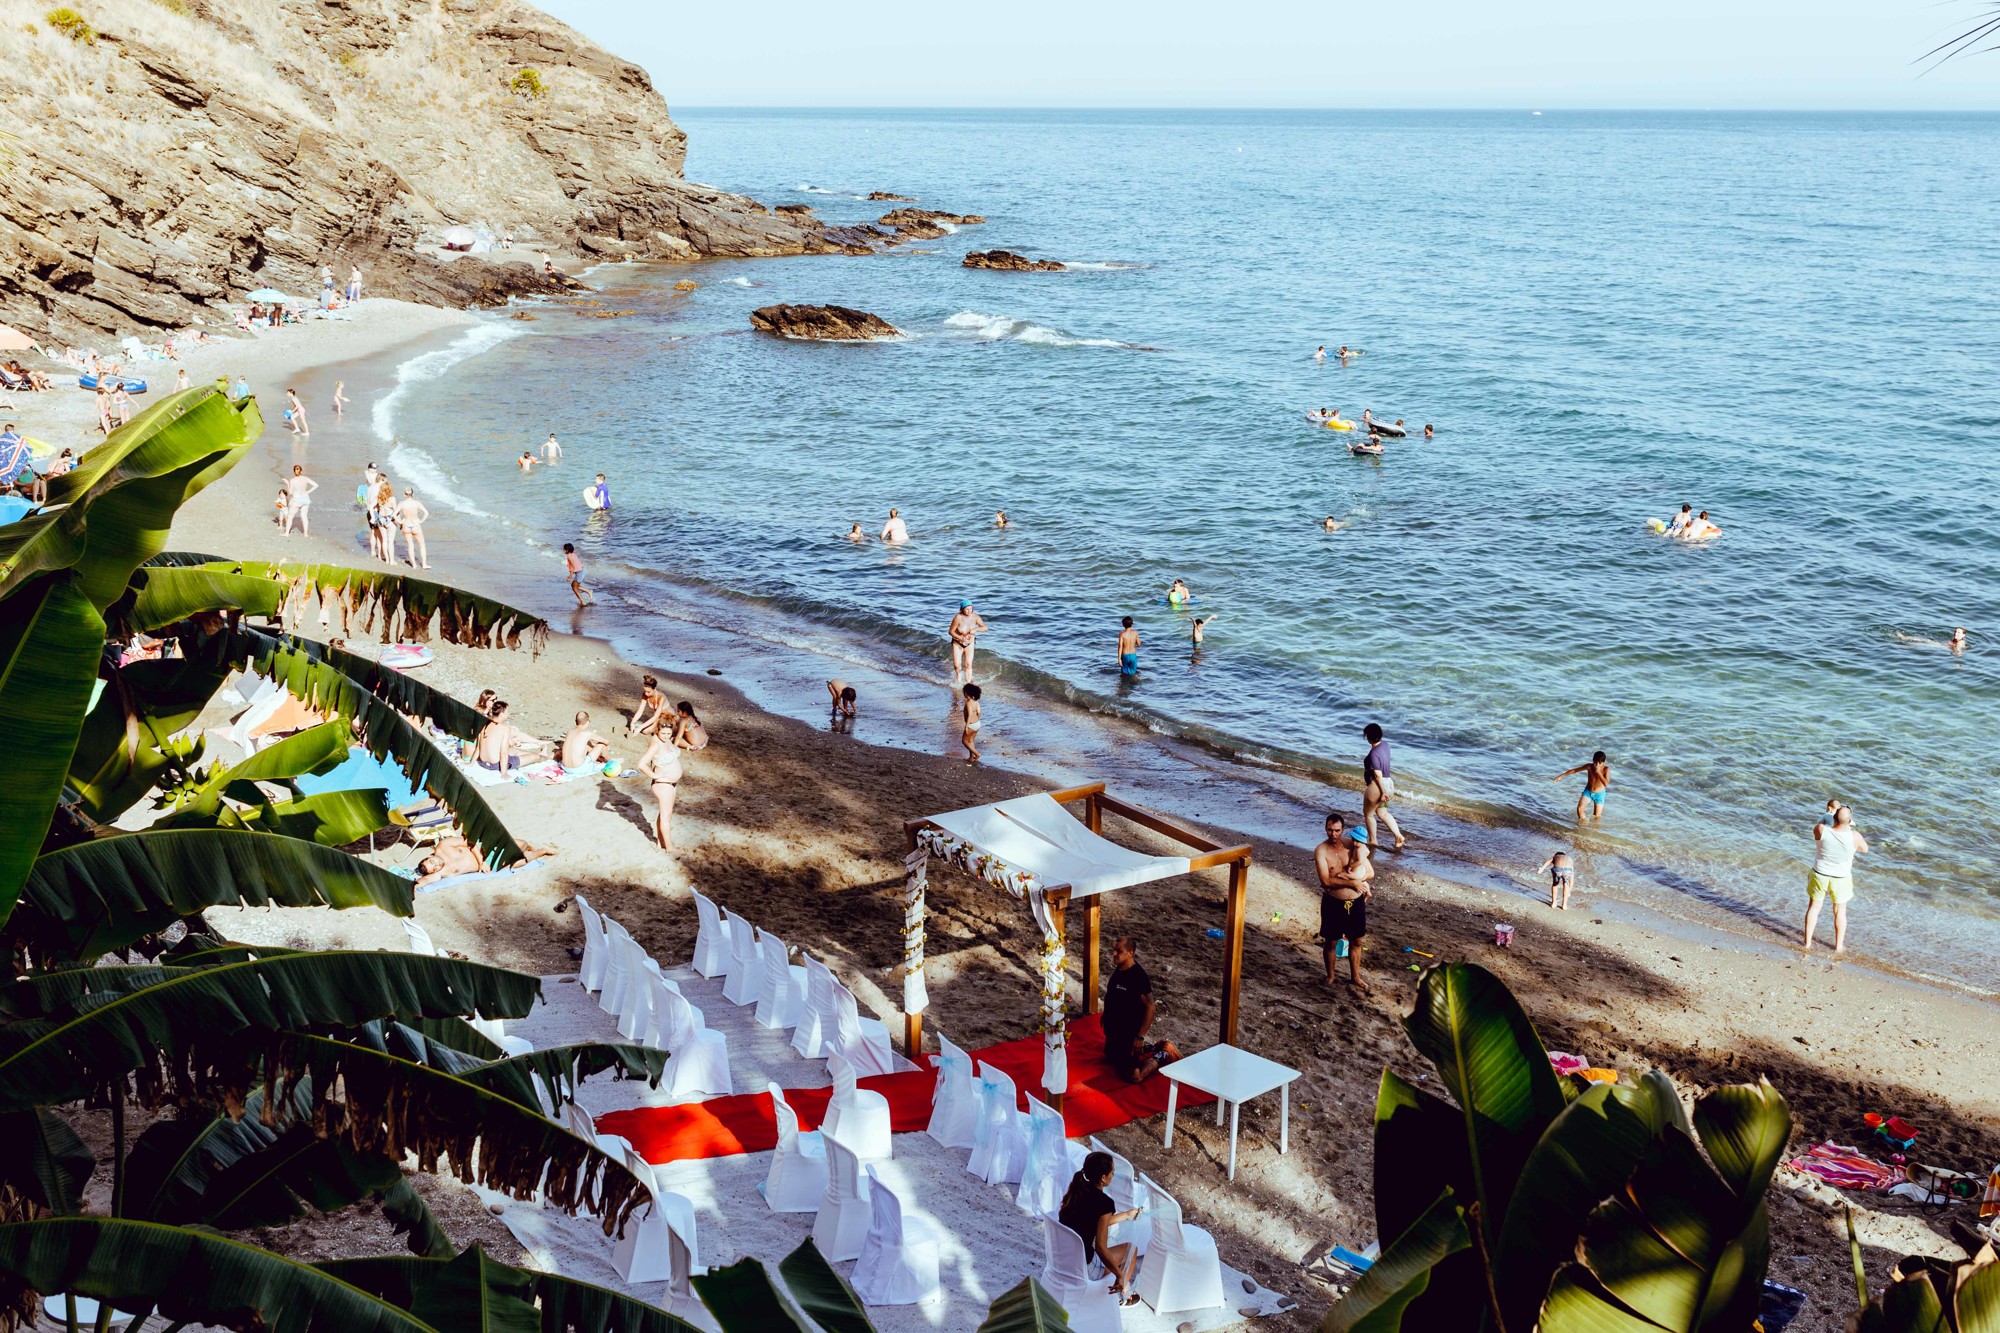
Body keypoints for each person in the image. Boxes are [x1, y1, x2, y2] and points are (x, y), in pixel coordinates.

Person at [1059, 1151, 1143, 1306]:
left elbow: (1095, 1222)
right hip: (1085, 1266)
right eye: (1112, 1172)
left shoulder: (1078, 1190)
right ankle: (1123, 1295)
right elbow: (1100, 1248)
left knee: (1118, 1250)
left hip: (1064, 1257)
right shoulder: (1104, 1203)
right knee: (1131, 1250)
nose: (1113, 1175)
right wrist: (1118, 1274)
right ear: (1103, 1178)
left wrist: (1126, 1215)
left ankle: (1122, 1290)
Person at [1101, 936, 1178, 1084]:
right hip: (1114, 1030)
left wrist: (1140, 1036)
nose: (1114, 954)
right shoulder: (1119, 970)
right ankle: (1152, 1047)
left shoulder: (1139, 977)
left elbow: (1150, 1006)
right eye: (1113, 949)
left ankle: (1164, 1053)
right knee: (1111, 1060)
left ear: (1130, 953)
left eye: (1119, 951)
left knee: (1135, 1077)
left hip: (1129, 1032)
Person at [1315, 814, 1373, 989]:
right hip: (1333, 903)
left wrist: (1359, 879)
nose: (1333, 834)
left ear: (1343, 830)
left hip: (1355, 902)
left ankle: (1355, 977)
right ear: (1325, 829)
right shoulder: (1321, 851)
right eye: (1330, 830)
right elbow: (1325, 881)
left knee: (1357, 941)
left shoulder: (1353, 845)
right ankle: (1331, 976)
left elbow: (1370, 872)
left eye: (1337, 830)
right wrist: (1353, 882)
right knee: (1331, 941)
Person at [1804, 804, 1867, 952]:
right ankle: (1838, 946)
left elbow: (1818, 827)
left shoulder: (1821, 830)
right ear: (1850, 820)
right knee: (1839, 912)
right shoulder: (1855, 836)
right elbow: (1864, 849)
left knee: (1814, 908)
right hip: (1841, 877)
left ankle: (1807, 943)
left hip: (1820, 873)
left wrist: (1830, 816)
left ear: (1833, 817)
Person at [637, 717, 684, 852]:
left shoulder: (666, 740)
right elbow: (641, 764)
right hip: (663, 784)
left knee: (665, 814)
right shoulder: (656, 744)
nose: (666, 736)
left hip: (670, 784)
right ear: (657, 729)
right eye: (663, 733)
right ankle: (669, 847)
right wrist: (654, 775)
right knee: (665, 816)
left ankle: (661, 841)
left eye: (669, 733)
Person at [1362, 722, 1405, 850]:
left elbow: (1377, 775)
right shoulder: (1386, 745)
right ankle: (1398, 836)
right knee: (1383, 812)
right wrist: (1386, 791)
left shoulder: (1373, 753)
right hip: (1389, 784)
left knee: (1369, 814)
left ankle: (1373, 840)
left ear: (1368, 738)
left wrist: (1382, 793)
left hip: (1378, 787)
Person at [475, 701, 540, 772]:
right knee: (536, 757)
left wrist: (470, 763)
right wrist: (504, 773)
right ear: (501, 714)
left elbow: (478, 747)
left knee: (514, 750)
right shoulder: (505, 729)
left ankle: (541, 754)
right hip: (496, 765)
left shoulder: (485, 724)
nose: (508, 713)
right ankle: (546, 757)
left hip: (483, 763)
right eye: (507, 712)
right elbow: (503, 753)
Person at [1552, 751, 1611, 820]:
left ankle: (1593, 830)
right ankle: (1584, 824)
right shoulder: (1589, 766)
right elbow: (1574, 770)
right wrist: (1561, 776)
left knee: (1596, 817)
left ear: (1604, 762)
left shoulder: (1606, 769)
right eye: (1595, 762)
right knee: (1580, 809)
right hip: (1588, 791)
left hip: (1599, 794)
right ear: (1593, 760)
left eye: (1600, 763)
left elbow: (1606, 784)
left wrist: (1598, 772)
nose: (1597, 764)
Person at [948, 601, 989, 680]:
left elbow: (985, 628)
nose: (969, 611)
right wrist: (961, 638)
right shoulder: (958, 617)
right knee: (957, 665)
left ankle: (968, 683)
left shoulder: (975, 617)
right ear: (962, 609)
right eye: (967, 609)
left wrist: (976, 629)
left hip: (970, 643)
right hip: (958, 642)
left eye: (970, 609)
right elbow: (951, 632)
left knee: (968, 664)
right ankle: (958, 679)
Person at [397, 487, 430, 569]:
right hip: (416, 525)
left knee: (410, 545)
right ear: (413, 494)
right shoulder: (417, 503)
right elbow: (426, 513)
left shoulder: (401, 503)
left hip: (406, 525)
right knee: (422, 545)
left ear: (404, 495)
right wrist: (421, 521)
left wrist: (400, 522)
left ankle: (414, 565)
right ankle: (424, 564)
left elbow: (394, 514)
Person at [282, 465, 317, 537]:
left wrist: (287, 484)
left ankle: (286, 533)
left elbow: (290, 493)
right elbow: (316, 485)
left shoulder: (292, 480)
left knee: (290, 516)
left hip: (296, 500)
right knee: (304, 516)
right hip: (305, 499)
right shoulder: (305, 478)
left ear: (294, 472)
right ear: (301, 471)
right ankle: (305, 533)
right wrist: (308, 492)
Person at [960, 682, 982, 762]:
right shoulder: (976, 701)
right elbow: (979, 712)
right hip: (977, 724)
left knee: (964, 741)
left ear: (966, 693)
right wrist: (977, 720)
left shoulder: (968, 703)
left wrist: (966, 726)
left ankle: (976, 754)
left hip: (971, 725)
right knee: (971, 740)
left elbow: (969, 715)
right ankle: (971, 757)